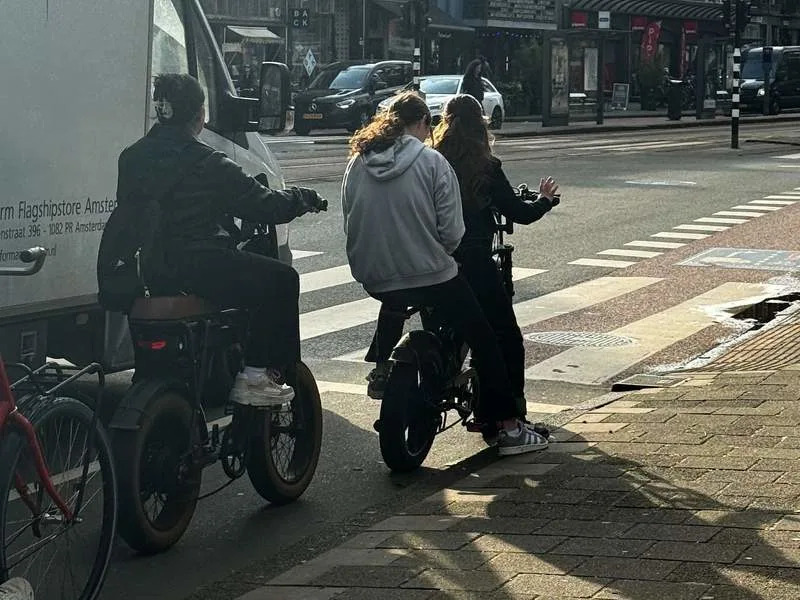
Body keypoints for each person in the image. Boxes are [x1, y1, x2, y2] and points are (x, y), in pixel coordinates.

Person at [341, 91, 547, 455]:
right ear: (422, 123)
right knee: (488, 337)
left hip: (373, 274)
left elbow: (349, 216)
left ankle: (381, 366)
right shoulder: (431, 161)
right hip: (430, 273)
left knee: (397, 295)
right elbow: (453, 234)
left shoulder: (358, 160)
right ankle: (509, 428)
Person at [116, 73, 325, 406]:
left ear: (161, 111)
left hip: (151, 270)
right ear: (200, 116)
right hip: (202, 267)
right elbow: (265, 205)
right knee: (283, 279)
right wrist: (303, 198)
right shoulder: (209, 162)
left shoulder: (131, 157)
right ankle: (256, 376)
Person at [432, 94, 559, 422]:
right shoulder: (486, 166)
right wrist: (544, 200)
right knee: (505, 336)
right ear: (481, 124)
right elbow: (518, 212)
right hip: (473, 260)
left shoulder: (432, 160)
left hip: (433, 259)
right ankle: (511, 418)